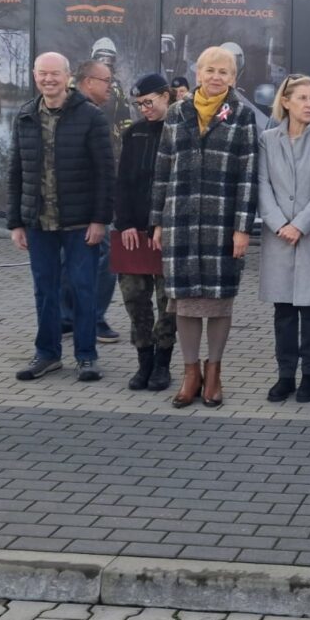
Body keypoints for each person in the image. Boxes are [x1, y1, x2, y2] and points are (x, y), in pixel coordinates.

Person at [151, 46, 260, 409]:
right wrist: (157, 221)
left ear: (234, 78)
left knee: (218, 302)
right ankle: (190, 373)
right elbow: (162, 169)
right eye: (210, 70)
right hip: (180, 220)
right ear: (198, 73)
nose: (216, 77)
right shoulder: (177, 112)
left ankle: (213, 373)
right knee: (183, 302)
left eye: (224, 72)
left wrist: (242, 228)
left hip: (221, 223)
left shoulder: (242, 115)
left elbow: (248, 176)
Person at [10, 52, 114, 384]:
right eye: (42, 73)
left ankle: (86, 356)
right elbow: (16, 171)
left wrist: (100, 220)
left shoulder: (91, 116)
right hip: (38, 222)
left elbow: (105, 173)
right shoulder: (25, 115)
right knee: (45, 290)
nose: (48, 79)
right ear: (34, 76)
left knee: (83, 289)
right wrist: (15, 222)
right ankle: (47, 354)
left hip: (80, 222)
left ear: (67, 76)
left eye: (55, 73)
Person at [258, 74, 310, 403]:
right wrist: (280, 224)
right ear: (286, 102)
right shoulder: (267, 140)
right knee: (283, 311)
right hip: (279, 237)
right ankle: (285, 375)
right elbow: (262, 185)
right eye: (303, 98)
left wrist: (300, 225)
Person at [114, 73, 177, 392]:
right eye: (139, 104)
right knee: (135, 299)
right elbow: (123, 181)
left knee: (168, 302)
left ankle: (163, 365)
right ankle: (144, 361)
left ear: (166, 96)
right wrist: (124, 223)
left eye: (148, 102)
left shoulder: (180, 130)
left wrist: (163, 224)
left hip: (168, 231)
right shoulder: (134, 133)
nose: (144, 109)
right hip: (135, 231)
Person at [62, 59, 120, 346]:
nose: (110, 86)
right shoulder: (81, 113)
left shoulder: (86, 111)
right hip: (83, 204)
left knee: (73, 259)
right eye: (106, 80)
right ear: (88, 82)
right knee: (106, 255)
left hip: (83, 204)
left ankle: (68, 318)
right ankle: (90, 318)